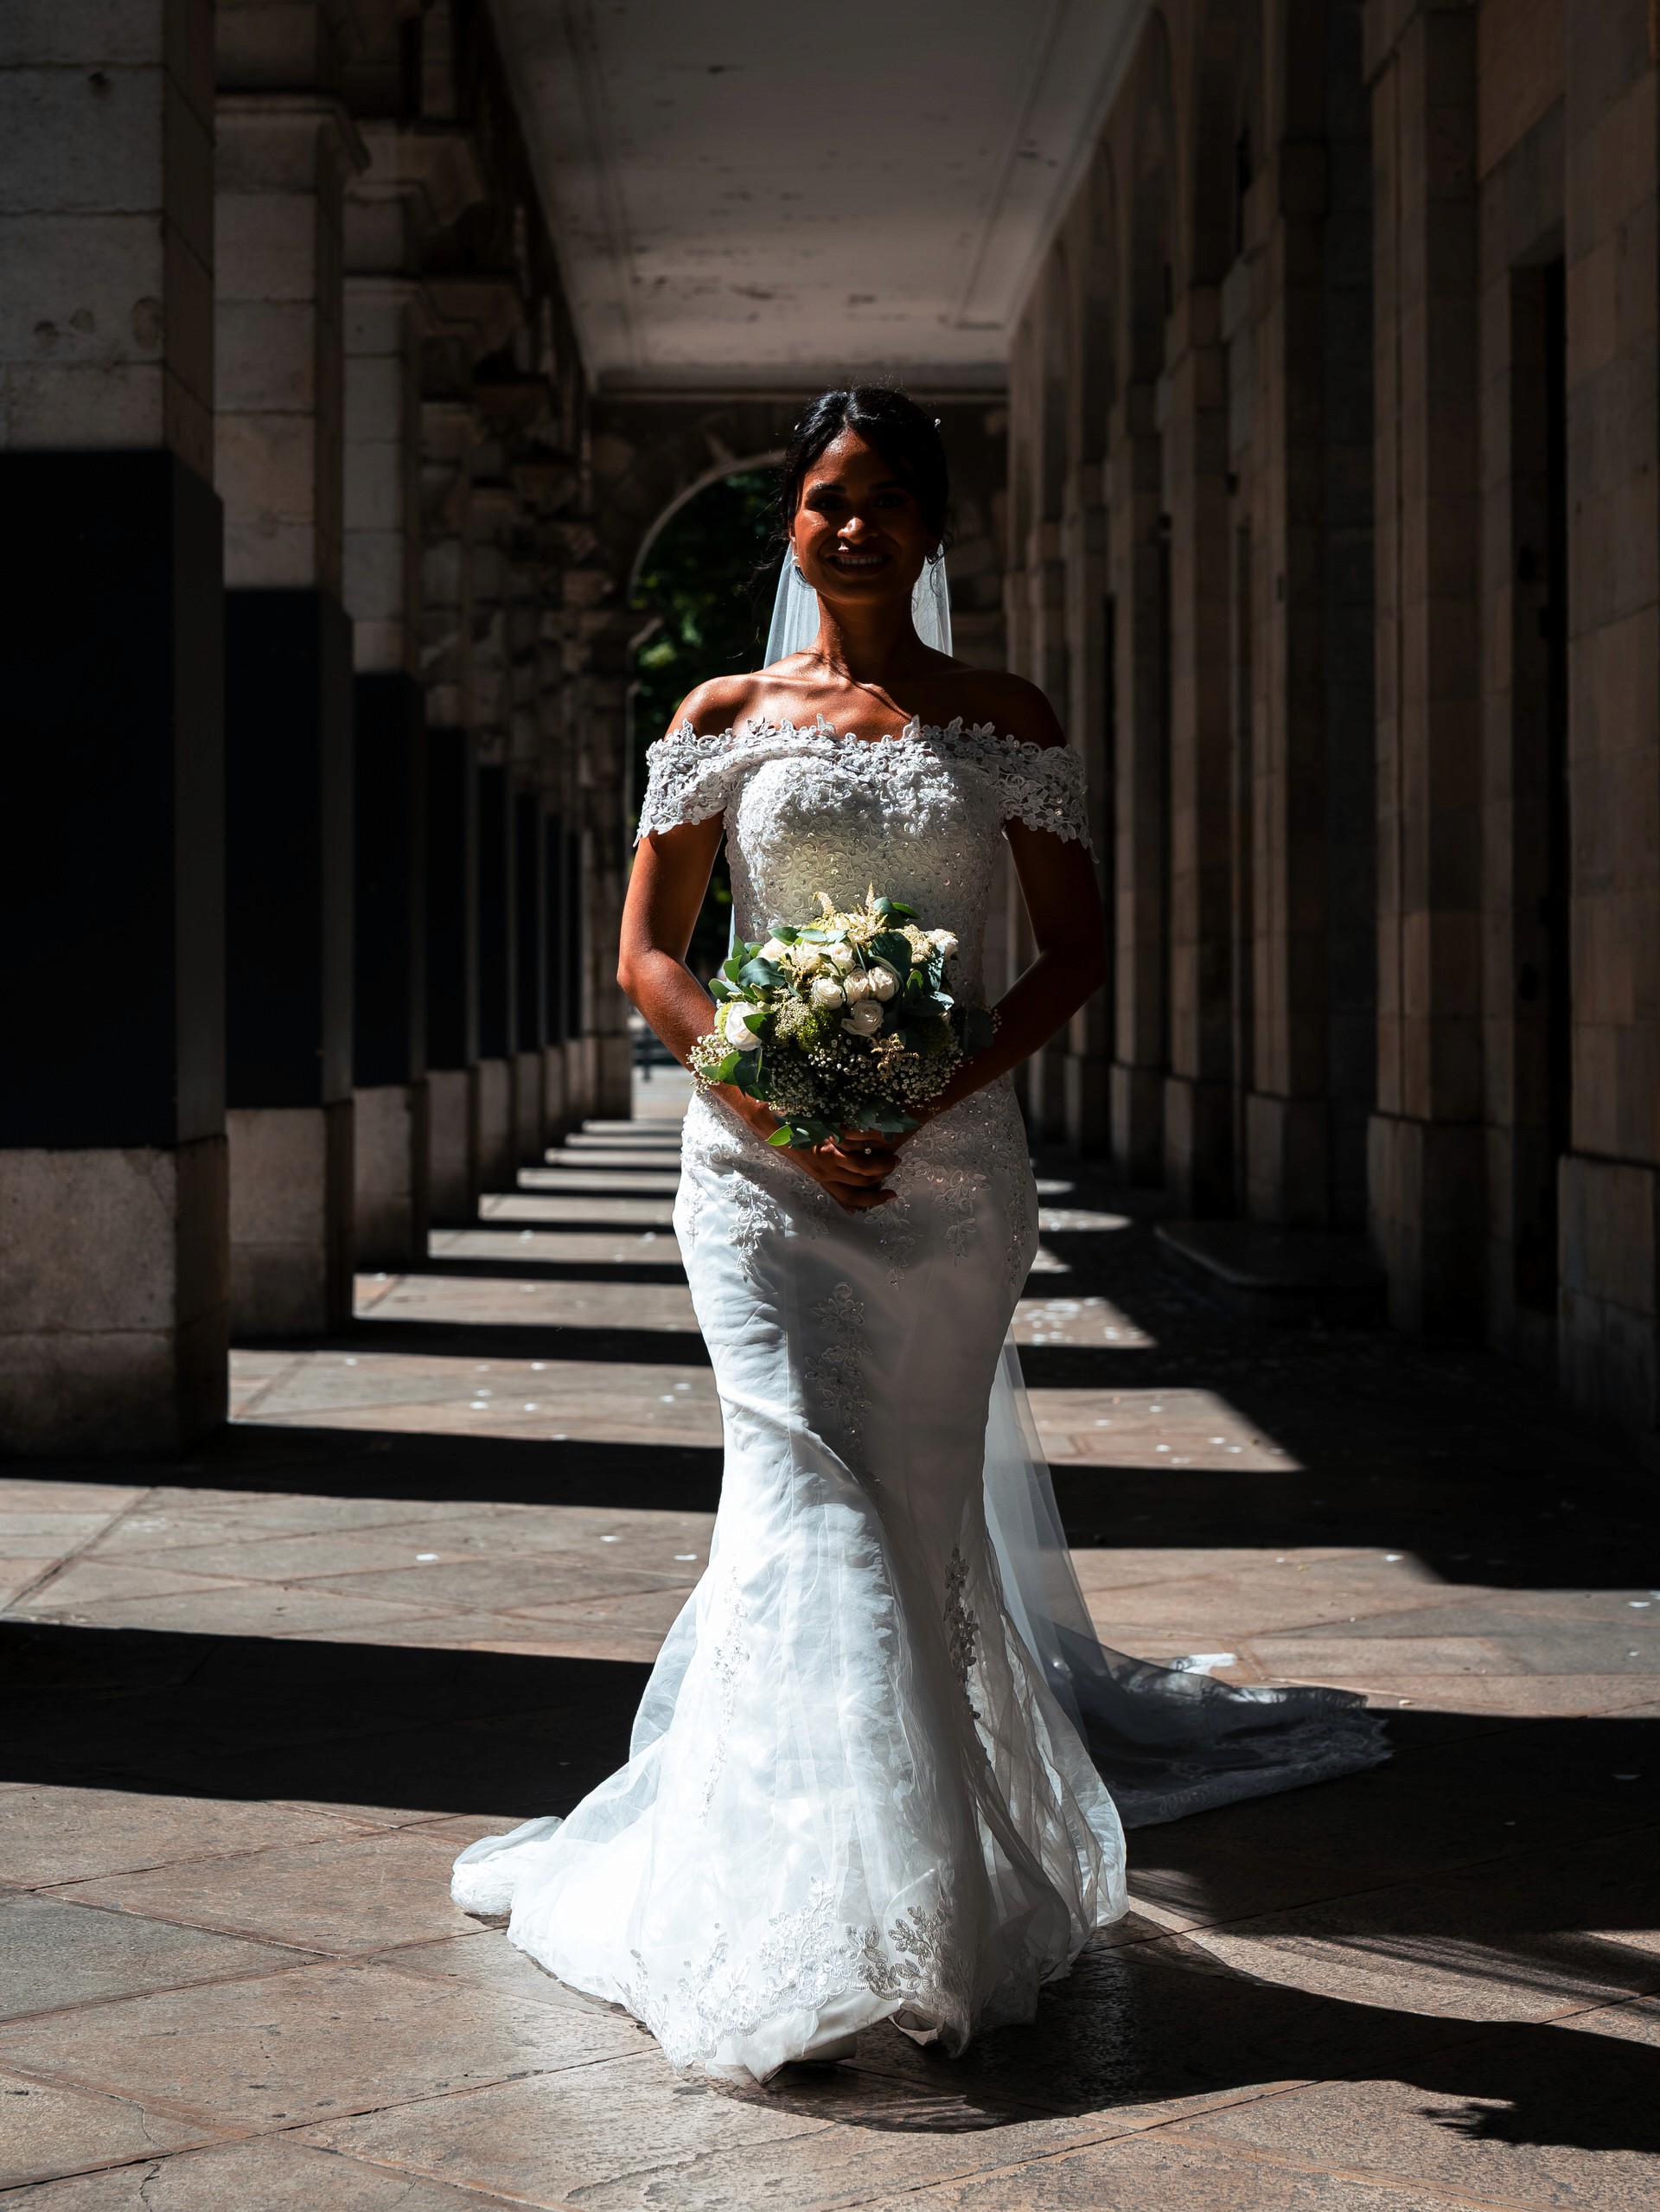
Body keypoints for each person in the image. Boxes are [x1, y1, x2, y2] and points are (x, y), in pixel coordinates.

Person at [451, 387, 1383, 2083]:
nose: (856, 522)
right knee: (809, 1508)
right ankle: (796, 1931)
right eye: (828, 497)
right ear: (791, 527)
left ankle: (919, 1905)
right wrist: (774, 1097)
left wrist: (931, 1082)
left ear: (936, 527)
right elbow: (651, 955)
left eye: (888, 496)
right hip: (760, 1182)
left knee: (914, 1527)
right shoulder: (724, 717)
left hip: (951, 1184)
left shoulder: (1003, 721)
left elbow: (1072, 952)